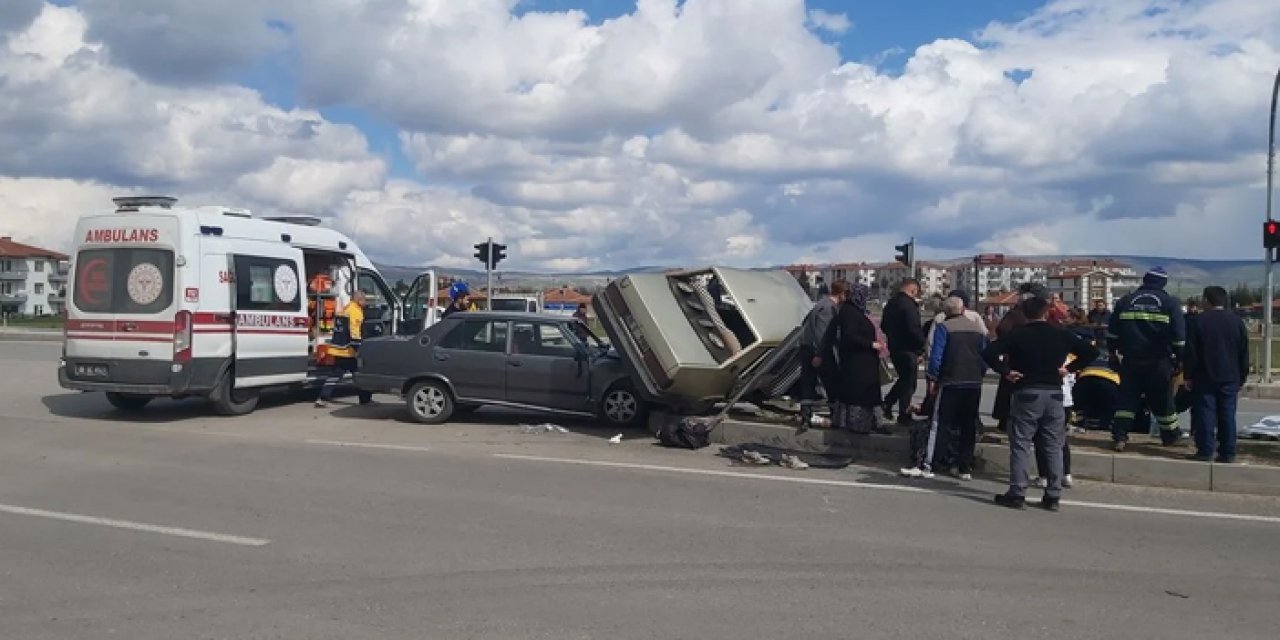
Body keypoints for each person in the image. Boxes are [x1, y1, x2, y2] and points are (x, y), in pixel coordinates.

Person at [983, 296, 1098, 511]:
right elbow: (1091, 352)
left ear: (1024, 314)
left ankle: (1017, 492)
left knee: (1021, 444)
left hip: (1027, 391)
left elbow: (988, 352)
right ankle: (1053, 495)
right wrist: (1069, 369)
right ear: (1046, 313)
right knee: (1053, 445)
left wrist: (1006, 372)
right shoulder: (1061, 334)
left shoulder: (1018, 334)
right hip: (1054, 393)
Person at [902, 295, 988, 480]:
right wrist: (979, 373)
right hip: (973, 383)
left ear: (945, 312)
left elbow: (936, 357)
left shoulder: (944, 327)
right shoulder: (978, 329)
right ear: (963, 310)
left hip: (951, 381)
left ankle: (928, 465)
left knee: (939, 423)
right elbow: (985, 356)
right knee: (968, 425)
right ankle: (964, 467)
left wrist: (933, 378)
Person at [1107, 266, 1186, 450]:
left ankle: (1120, 436)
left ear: (1145, 280)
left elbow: (1112, 333)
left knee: (1127, 400)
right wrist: (1181, 359)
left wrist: (1112, 353)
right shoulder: (1169, 303)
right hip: (1159, 361)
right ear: (1163, 283)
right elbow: (1179, 337)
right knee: (1162, 399)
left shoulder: (1125, 301)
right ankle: (1170, 435)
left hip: (1130, 361)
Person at [1183, 286, 1249, 463]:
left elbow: (1191, 352)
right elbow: (1243, 352)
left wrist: (1188, 375)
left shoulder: (1198, 322)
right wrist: (1242, 375)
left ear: (1206, 300)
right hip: (1230, 376)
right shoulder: (1236, 322)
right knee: (1227, 415)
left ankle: (1205, 450)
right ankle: (1228, 452)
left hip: (1204, 375)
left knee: (1206, 413)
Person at [818, 284, 884, 433]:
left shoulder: (856, 311)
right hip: (857, 363)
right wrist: (870, 344)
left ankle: (871, 423)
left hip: (862, 362)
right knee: (858, 396)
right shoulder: (849, 312)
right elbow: (850, 336)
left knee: (866, 394)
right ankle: (858, 425)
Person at [991, 282, 1050, 432]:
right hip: (1018, 358)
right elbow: (1002, 329)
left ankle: (1009, 421)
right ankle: (1007, 422)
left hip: (1021, 358)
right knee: (1012, 391)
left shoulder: (1019, 313)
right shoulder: (1018, 313)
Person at [800, 280, 850, 426]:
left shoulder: (820, 304)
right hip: (818, 351)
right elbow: (823, 334)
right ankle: (835, 415)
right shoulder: (829, 308)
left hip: (807, 347)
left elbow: (806, 323)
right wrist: (819, 354)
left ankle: (806, 416)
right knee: (831, 382)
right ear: (842, 294)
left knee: (808, 382)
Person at [316, 290, 373, 408]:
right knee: (360, 373)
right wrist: (357, 348)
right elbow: (354, 331)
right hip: (348, 350)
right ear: (359, 300)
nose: (366, 303)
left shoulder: (346, 308)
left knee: (336, 375)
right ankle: (365, 400)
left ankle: (323, 398)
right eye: (364, 300)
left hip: (338, 348)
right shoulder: (356, 311)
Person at [880, 279, 925, 425]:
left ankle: (888, 404)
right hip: (909, 349)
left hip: (895, 347)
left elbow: (883, 325)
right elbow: (914, 328)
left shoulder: (890, 304)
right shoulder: (909, 306)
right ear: (913, 290)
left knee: (905, 380)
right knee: (909, 383)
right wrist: (921, 348)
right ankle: (902, 413)